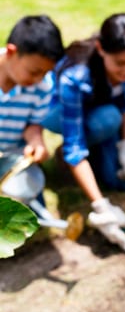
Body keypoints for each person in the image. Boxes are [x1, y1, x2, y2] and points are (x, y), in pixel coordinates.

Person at [43, 13, 125, 251]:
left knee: (123, 183)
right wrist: (101, 208)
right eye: (120, 63)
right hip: (57, 110)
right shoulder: (75, 77)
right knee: (108, 119)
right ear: (101, 49)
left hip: (99, 105)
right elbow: (75, 147)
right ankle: (63, 157)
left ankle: (102, 146)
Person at [0, 15, 65, 218]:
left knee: (28, 213)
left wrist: (36, 141)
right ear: (12, 52)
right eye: (34, 71)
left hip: (14, 159)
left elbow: (33, 125)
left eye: (45, 73)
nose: (38, 80)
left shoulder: (43, 87)